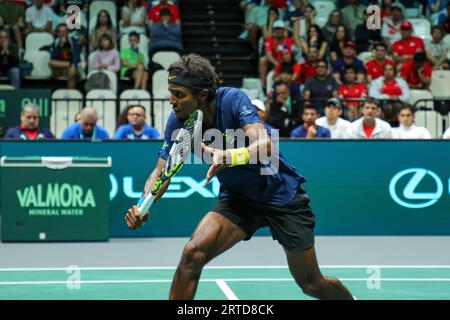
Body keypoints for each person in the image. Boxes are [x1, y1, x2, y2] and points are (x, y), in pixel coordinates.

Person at [124, 53, 354, 300]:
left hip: (281, 197)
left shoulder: (232, 100)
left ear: (202, 95)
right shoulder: (179, 120)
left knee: (311, 284)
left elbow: (266, 145)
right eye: (171, 92)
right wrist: (142, 205)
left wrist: (230, 156)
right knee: (193, 254)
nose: (172, 101)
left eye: (179, 95)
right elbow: (162, 170)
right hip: (238, 199)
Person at [259, 20, 294, 88]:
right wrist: (277, 64)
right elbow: (269, 55)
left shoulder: (289, 41)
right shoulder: (269, 40)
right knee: (262, 60)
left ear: (284, 30)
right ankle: (263, 86)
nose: (278, 31)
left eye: (280, 29)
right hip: (273, 63)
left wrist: (282, 64)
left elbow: (290, 56)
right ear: (274, 30)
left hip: (286, 63)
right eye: (276, 29)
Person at [48, 23, 81, 89]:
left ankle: (70, 93)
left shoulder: (74, 43)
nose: (62, 33)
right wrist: (60, 46)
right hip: (59, 68)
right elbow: (53, 58)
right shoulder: (55, 44)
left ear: (68, 32)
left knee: (72, 69)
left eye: (64, 31)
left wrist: (72, 64)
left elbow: (76, 57)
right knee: (51, 62)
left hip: (71, 68)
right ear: (57, 33)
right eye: (60, 31)